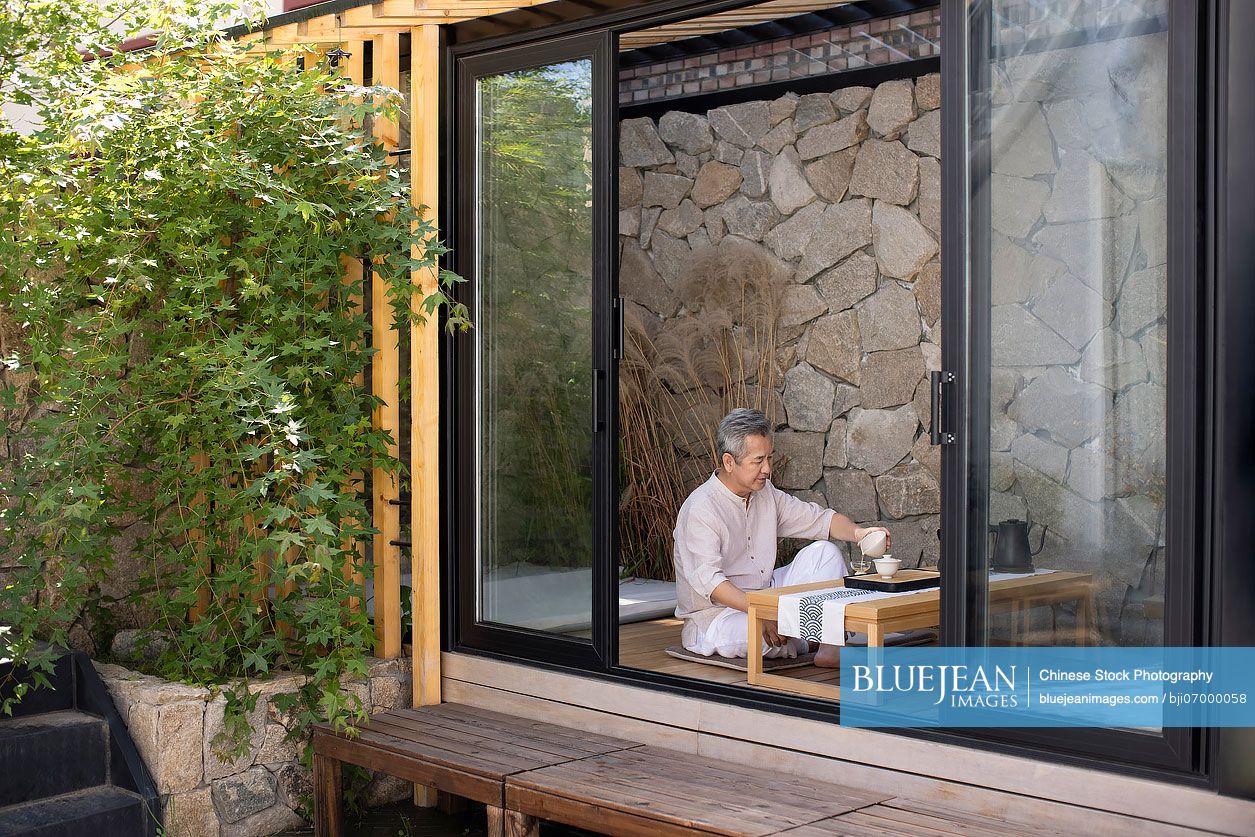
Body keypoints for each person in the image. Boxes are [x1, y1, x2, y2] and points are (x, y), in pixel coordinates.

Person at [672, 408, 890, 668]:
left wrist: (859, 533)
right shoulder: (701, 509)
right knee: (764, 640)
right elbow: (713, 585)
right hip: (718, 617)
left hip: (768, 595)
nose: (767, 468)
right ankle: (812, 636)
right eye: (758, 461)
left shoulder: (766, 494)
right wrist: (762, 612)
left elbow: (821, 520)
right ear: (729, 462)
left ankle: (830, 647)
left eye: (769, 458)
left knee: (824, 553)